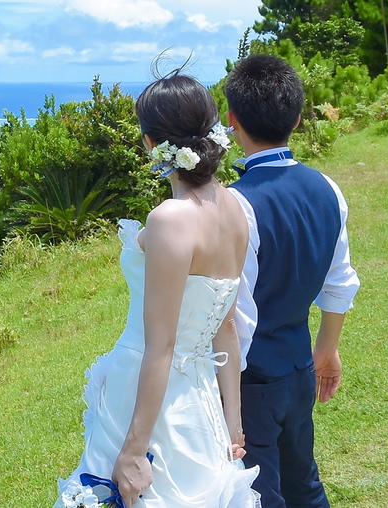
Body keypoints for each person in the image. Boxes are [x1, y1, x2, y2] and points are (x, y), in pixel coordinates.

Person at [57, 71, 260, 508]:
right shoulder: (235, 210)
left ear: (150, 143)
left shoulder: (170, 218)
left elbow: (162, 346)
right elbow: (226, 327)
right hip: (200, 395)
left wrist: (134, 450)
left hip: (149, 395)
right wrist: (233, 420)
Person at [223, 54, 360, 508]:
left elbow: (236, 315)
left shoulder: (237, 205)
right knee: (304, 480)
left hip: (252, 380)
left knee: (260, 493)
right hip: (301, 367)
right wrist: (327, 348)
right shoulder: (328, 188)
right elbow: (339, 280)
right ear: (298, 119)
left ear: (231, 120)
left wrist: (229, 404)